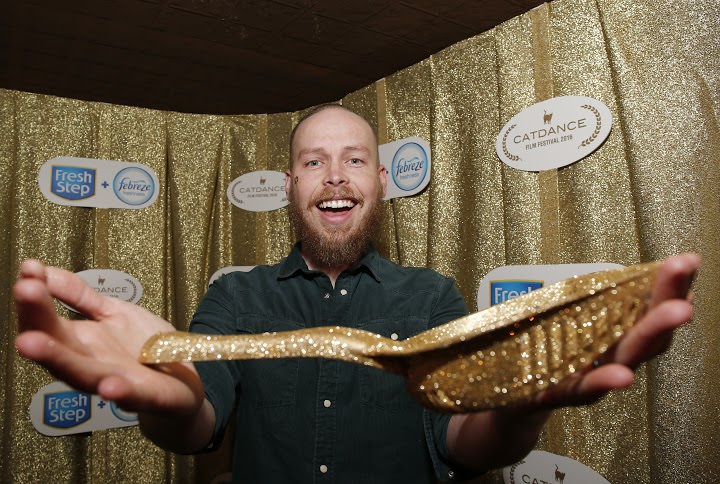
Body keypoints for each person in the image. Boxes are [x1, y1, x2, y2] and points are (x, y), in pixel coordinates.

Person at [14, 104, 700, 483]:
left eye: (354, 160)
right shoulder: (235, 301)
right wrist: (169, 401)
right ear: (290, 185)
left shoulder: (433, 298)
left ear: (379, 182)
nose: (334, 177)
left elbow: (460, 442)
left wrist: (519, 413)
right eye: (314, 161)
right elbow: (196, 420)